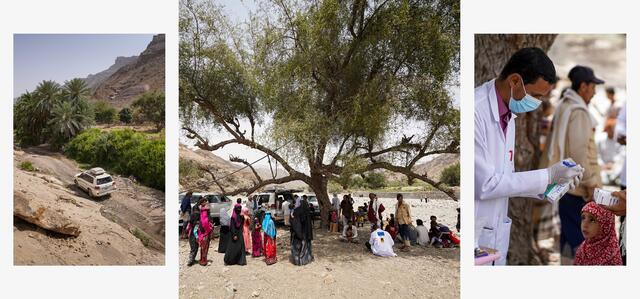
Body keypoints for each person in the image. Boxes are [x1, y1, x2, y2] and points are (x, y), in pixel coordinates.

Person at [475, 47, 584, 265]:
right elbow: (486, 184)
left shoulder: (508, 115)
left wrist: (553, 186)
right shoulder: (476, 111)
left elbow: (507, 178)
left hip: (495, 236)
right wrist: (547, 175)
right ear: (515, 81)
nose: (537, 104)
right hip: (477, 232)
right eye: (535, 95)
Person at [541, 65, 605, 264]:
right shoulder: (578, 111)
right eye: (593, 86)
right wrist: (590, 184)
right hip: (580, 188)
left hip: (567, 184)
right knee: (582, 237)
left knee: (569, 235)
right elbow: (579, 154)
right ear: (583, 86)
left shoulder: (565, 105)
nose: (594, 92)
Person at [290, 197, 314, 265]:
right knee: (305, 247)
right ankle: (306, 260)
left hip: (299, 234)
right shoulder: (307, 212)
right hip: (306, 234)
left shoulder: (297, 211)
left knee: (298, 248)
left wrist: (292, 218)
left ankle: (299, 261)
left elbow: (295, 224)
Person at [197, 198, 213, 266]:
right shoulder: (205, 212)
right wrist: (210, 228)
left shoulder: (200, 210)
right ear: (202, 203)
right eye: (205, 202)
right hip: (205, 231)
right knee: (205, 246)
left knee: (202, 246)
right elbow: (205, 222)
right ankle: (204, 260)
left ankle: (202, 259)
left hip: (202, 231)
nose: (206, 203)